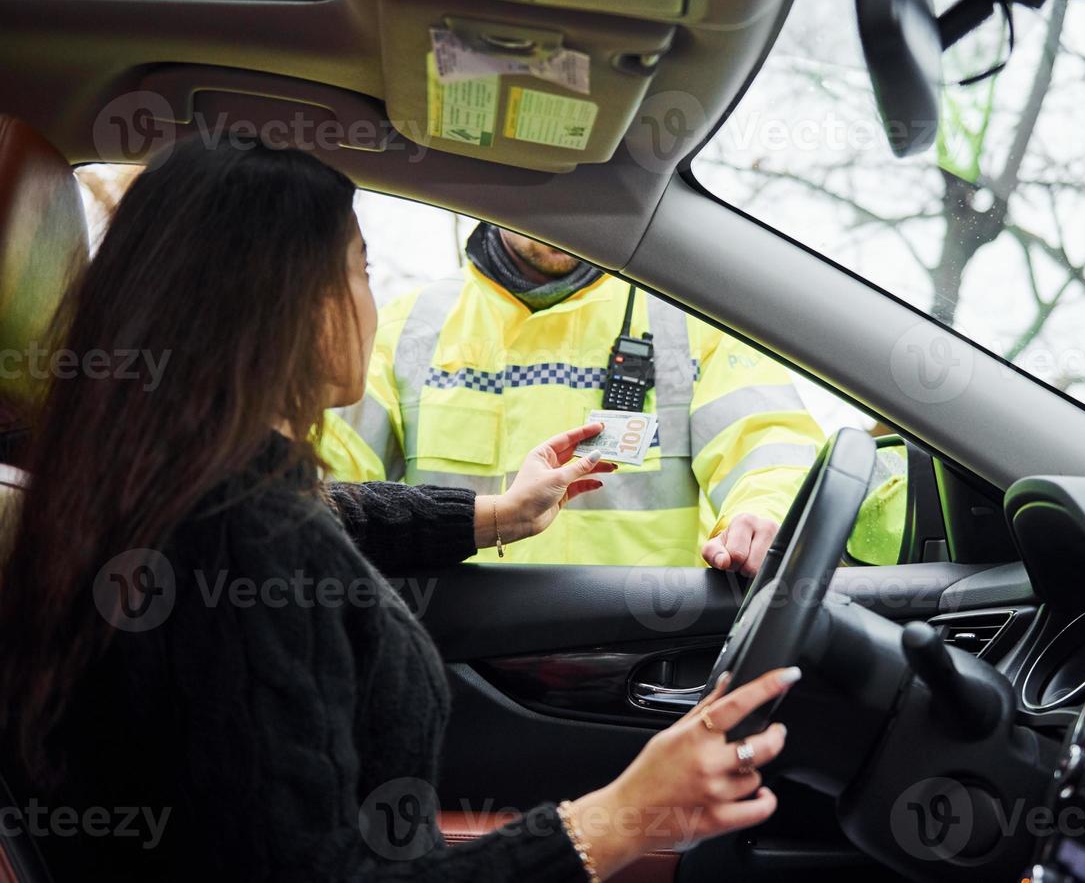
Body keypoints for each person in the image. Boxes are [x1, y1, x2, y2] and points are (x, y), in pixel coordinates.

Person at [0, 138, 797, 881]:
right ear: (295, 304)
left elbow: (323, 511)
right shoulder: (239, 542)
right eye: (359, 268)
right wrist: (615, 820)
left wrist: (497, 515)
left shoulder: (176, 497)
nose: (371, 300)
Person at [319, 220, 827, 575]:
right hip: (464, 655)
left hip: (637, 649)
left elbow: (769, 444)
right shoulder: (402, 329)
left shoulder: (697, 321)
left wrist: (762, 514)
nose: (561, 216)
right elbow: (324, 493)